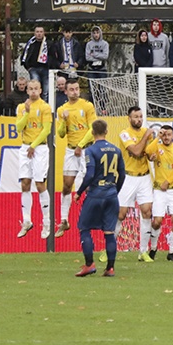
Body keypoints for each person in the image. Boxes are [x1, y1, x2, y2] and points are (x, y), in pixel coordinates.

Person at [74, 119, 125, 277]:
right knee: (109, 232)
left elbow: (89, 174)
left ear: (92, 132)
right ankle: (110, 268)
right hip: (111, 193)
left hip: (96, 193)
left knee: (84, 228)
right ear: (106, 131)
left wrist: (79, 191)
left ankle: (89, 264)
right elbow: (122, 174)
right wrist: (115, 190)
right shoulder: (116, 150)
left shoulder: (91, 150)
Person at [110, 106, 154, 263]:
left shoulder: (147, 133)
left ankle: (143, 251)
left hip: (144, 177)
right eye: (136, 117)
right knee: (121, 214)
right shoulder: (124, 133)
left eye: (141, 116)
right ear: (129, 119)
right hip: (128, 177)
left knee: (147, 212)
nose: (139, 119)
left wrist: (152, 155)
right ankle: (109, 248)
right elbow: (135, 151)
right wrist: (146, 136)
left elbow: (148, 154)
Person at [55, 78, 96, 238]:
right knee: (67, 185)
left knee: (84, 186)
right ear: (65, 91)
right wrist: (63, 120)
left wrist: (81, 144)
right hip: (71, 150)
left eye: (76, 89)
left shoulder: (86, 106)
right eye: (71, 89)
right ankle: (64, 220)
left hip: (86, 149)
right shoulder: (62, 110)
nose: (74, 92)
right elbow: (61, 134)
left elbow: (92, 128)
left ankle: (90, 217)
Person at [15, 79, 53, 239]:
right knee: (25, 183)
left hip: (40, 148)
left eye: (35, 88)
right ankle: (27, 220)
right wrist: (26, 113)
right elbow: (18, 128)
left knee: (39, 183)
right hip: (25, 147)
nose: (33, 91)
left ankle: (46, 221)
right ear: (27, 90)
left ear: (40, 89)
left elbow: (46, 130)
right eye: (30, 89)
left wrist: (34, 145)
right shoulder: (22, 107)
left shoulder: (45, 107)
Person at [144, 124, 173, 261]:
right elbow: (147, 151)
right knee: (157, 221)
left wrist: (168, 181)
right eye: (164, 135)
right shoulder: (157, 147)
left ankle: (171, 252)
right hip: (159, 190)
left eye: (169, 135)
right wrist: (157, 136)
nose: (166, 137)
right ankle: (153, 248)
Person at [20, 26, 50, 93]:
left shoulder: (48, 44)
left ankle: (45, 103)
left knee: (46, 91)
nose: (39, 33)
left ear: (44, 33)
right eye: (37, 32)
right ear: (34, 33)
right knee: (35, 88)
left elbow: (52, 56)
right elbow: (24, 56)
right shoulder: (30, 44)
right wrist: (28, 67)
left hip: (46, 69)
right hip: (33, 69)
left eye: (41, 32)